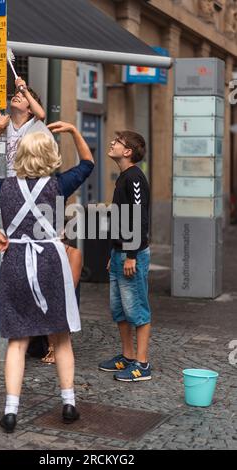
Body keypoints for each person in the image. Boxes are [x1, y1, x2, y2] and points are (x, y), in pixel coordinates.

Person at [0, 122, 94, 432]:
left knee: (17, 341)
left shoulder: (4, 187)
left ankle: (10, 411)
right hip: (50, 260)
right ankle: (69, 403)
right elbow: (88, 164)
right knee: (60, 337)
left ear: (20, 155)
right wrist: (75, 132)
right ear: (50, 155)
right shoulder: (58, 185)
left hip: (15, 262)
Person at [0, 76, 50, 299]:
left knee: (13, 232)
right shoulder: (3, 120)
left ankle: (15, 276)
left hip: (20, 186)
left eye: (21, 96)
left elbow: (42, 114)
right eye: (16, 95)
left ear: (28, 107)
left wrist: (24, 87)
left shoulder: (34, 124)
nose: (16, 96)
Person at [98, 131, 152, 382]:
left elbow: (139, 218)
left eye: (117, 141)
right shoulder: (123, 178)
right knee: (119, 309)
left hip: (133, 255)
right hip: (120, 253)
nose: (112, 142)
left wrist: (130, 254)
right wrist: (115, 252)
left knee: (137, 309)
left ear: (128, 151)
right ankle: (127, 356)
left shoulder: (135, 178)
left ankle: (142, 364)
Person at [41, 236, 82, 364]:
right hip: (38, 315)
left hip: (59, 307)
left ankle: (54, 346)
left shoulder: (74, 254)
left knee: (55, 299)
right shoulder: (42, 253)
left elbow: (69, 289)